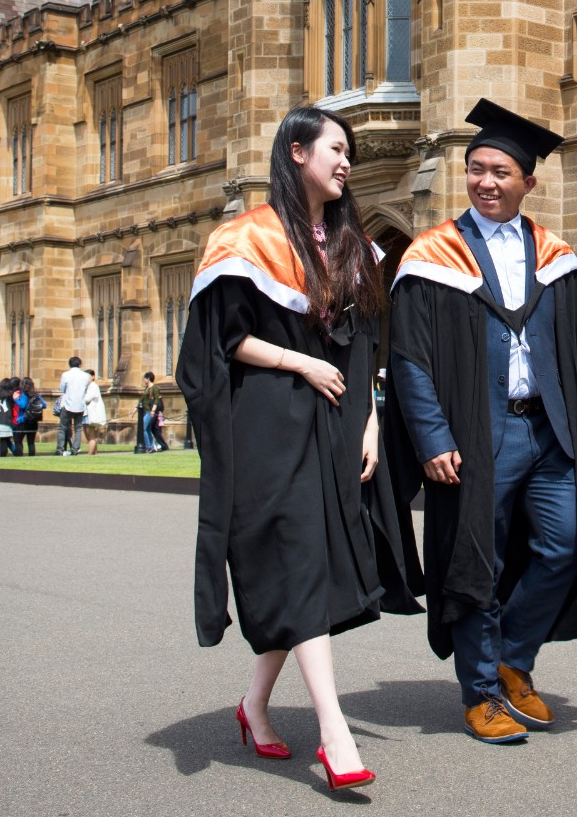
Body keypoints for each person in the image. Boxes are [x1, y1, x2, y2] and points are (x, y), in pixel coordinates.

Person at [176, 106, 422, 792]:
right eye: (335, 148)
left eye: (348, 151)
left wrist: (370, 422)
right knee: (299, 557)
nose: (346, 160)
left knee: (306, 562)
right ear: (296, 153)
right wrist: (300, 363)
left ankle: (254, 706)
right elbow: (221, 342)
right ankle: (334, 733)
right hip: (267, 418)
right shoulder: (244, 239)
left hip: (337, 418)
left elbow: (366, 348)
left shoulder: (352, 247)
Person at [385, 99, 577, 744]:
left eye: (500, 171)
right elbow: (409, 361)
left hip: (550, 432)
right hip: (477, 433)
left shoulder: (554, 256)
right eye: (476, 169)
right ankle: (481, 693)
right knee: (478, 560)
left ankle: (512, 659)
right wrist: (432, 438)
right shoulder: (432, 257)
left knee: (566, 546)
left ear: (529, 181)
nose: (486, 182)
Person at [56, 356, 90, 456]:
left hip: (67, 404)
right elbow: (86, 389)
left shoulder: (66, 375)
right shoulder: (85, 375)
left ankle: (60, 449)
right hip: (80, 404)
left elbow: (62, 389)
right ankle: (75, 449)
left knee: (62, 427)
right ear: (80, 364)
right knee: (78, 428)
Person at [12, 376, 45, 457]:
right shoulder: (36, 395)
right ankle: (31, 457)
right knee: (31, 442)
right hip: (33, 422)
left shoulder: (23, 394)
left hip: (23, 421)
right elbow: (44, 405)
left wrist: (15, 399)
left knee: (18, 441)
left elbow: (22, 405)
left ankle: (19, 457)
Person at [140, 373, 168, 452]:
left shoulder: (155, 388)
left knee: (144, 428)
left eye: (145, 378)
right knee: (148, 429)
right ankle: (151, 447)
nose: (144, 380)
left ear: (148, 378)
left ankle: (149, 446)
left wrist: (153, 410)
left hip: (150, 411)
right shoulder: (147, 388)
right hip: (145, 410)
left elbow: (156, 400)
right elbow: (142, 399)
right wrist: (135, 409)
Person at [82, 369, 107, 455]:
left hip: (91, 413)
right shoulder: (87, 387)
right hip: (86, 413)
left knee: (91, 435)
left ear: (93, 377)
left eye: (88, 377)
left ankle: (89, 455)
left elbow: (87, 398)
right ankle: (94, 454)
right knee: (88, 434)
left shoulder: (93, 386)